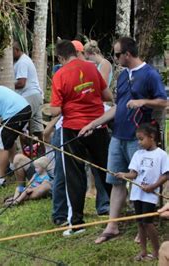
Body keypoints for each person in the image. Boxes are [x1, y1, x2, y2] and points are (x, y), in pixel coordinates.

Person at [79, 37, 167, 244]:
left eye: (118, 54)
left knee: (142, 182)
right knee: (116, 180)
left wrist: (143, 101)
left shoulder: (150, 74)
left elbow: (163, 101)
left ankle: (144, 228)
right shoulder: (121, 76)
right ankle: (112, 225)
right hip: (118, 135)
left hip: (140, 139)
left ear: (128, 54)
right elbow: (118, 107)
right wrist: (92, 124)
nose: (115, 58)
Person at [49, 40, 113, 236]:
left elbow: (56, 110)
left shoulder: (59, 74)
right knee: (105, 171)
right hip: (98, 126)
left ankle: (76, 223)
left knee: (74, 176)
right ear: (76, 53)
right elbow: (107, 96)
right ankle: (117, 216)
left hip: (73, 129)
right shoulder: (92, 68)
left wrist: (49, 109)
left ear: (61, 57)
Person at [115, 122, 168, 261]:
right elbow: (134, 174)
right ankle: (143, 251)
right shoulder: (138, 154)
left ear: (152, 137)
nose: (139, 142)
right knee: (139, 222)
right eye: (138, 139)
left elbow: (166, 175)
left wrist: (153, 186)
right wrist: (123, 175)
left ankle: (156, 252)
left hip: (149, 195)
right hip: (137, 194)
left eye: (141, 139)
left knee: (148, 222)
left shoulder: (161, 155)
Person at [13, 41, 45, 155]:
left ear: (16, 50)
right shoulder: (21, 60)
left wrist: (7, 84)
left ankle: (23, 155)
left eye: (12, 52)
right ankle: (41, 152)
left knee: (19, 125)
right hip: (35, 95)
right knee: (37, 128)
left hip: (29, 95)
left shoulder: (22, 62)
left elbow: (21, 83)